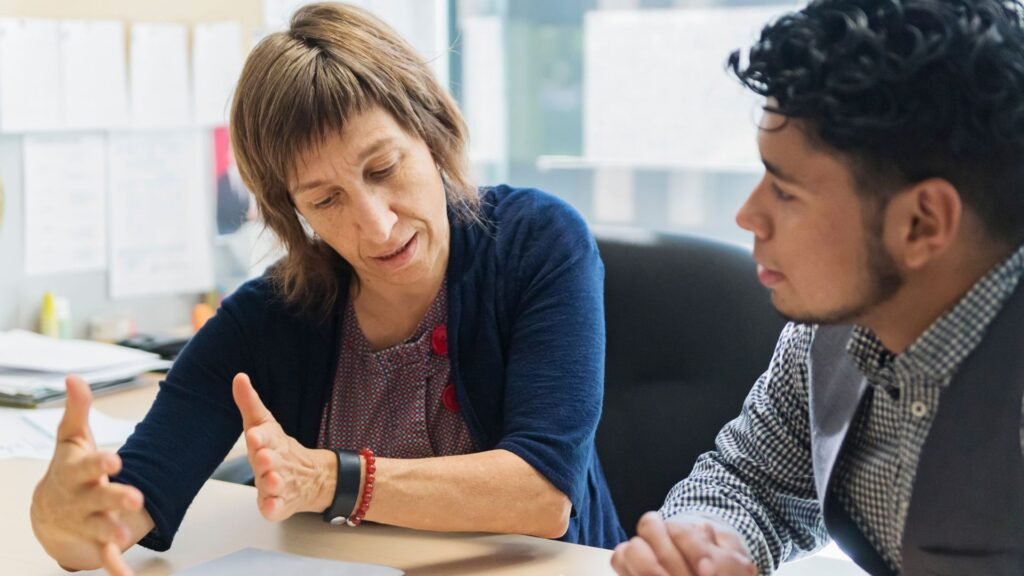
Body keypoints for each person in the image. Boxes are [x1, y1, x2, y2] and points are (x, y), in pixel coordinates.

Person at [30, 4, 625, 574]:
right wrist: (66, 521)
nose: (377, 225)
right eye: (325, 200)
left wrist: (329, 479)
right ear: (295, 213)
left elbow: (543, 494)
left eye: (383, 168)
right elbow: (126, 509)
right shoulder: (269, 318)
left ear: (432, 130)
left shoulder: (535, 242)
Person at [611, 0, 1024, 574]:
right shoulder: (834, 330)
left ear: (922, 223)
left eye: (785, 192)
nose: (747, 216)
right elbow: (754, 480)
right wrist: (706, 544)